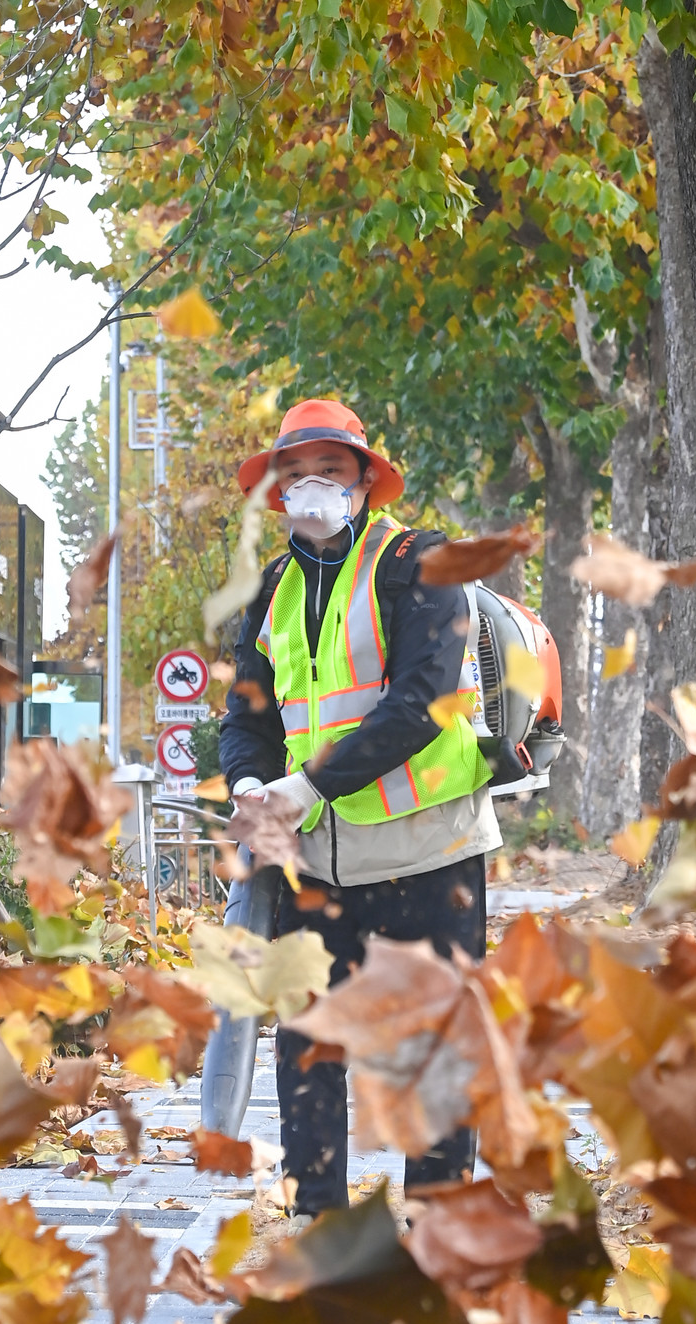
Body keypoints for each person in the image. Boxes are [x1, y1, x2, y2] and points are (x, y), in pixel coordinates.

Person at [219, 398, 501, 1221]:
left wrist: (304, 787)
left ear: (366, 482)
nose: (312, 486)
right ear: (277, 493)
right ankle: (319, 1222)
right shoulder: (272, 591)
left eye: (331, 470)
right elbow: (247, 711)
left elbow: (420, 699)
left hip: (429, 850)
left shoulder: (421, 561)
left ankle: (436, 1226)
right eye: (296, 473)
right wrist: (248, 785)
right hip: (318, 861)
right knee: (309, 1043)